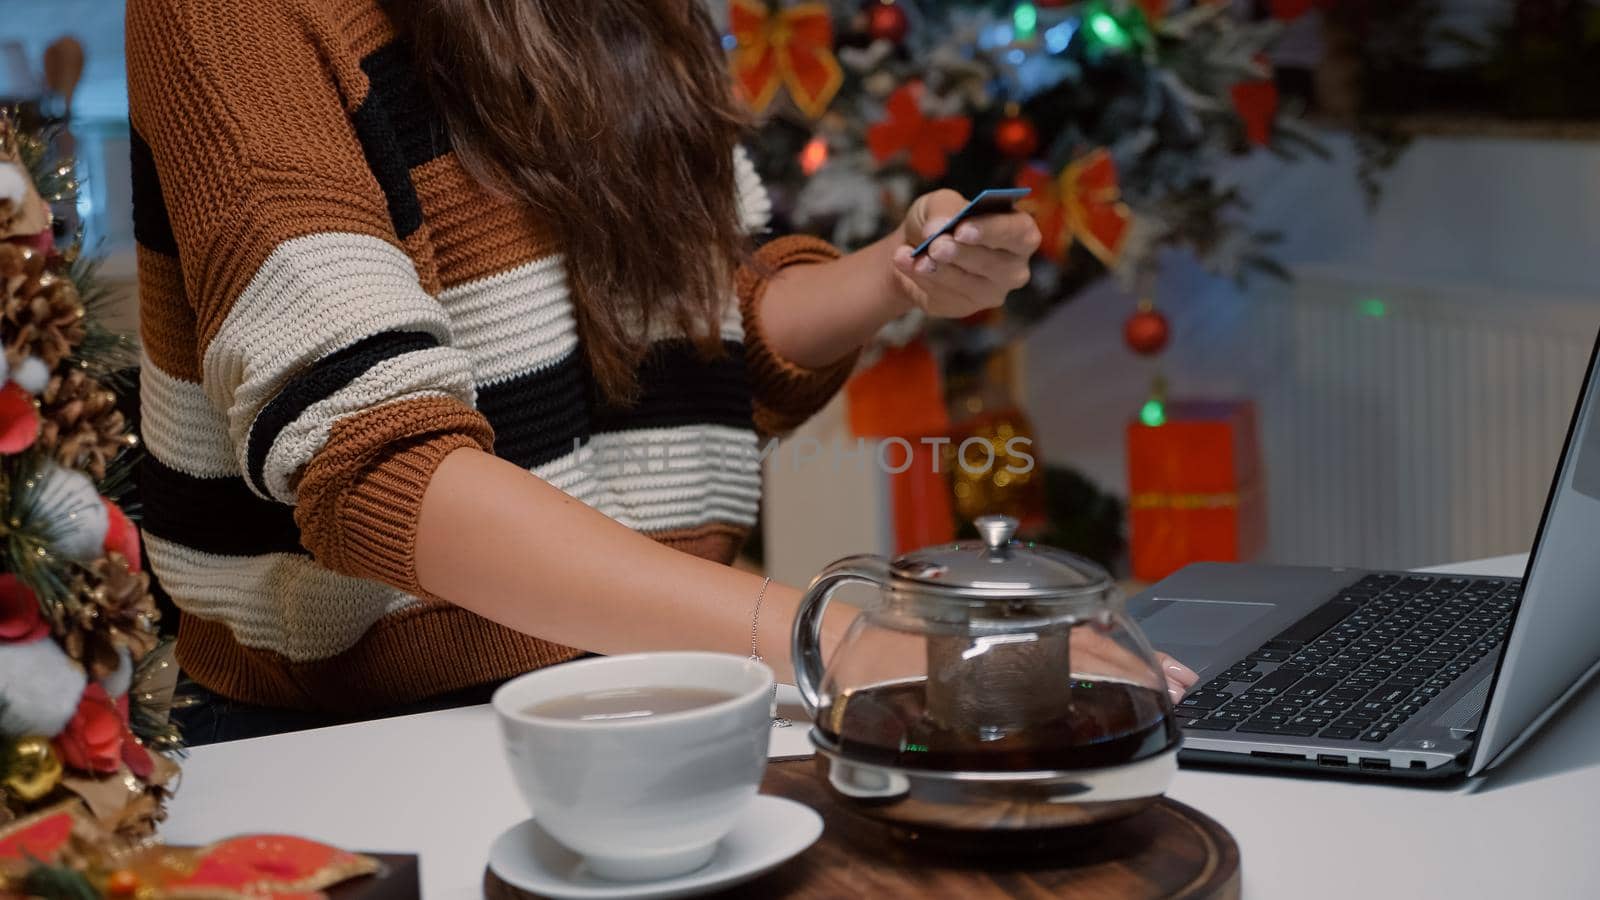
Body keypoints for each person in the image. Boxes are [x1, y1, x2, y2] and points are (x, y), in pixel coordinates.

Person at [127, 0, 1196, 739]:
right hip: (353, 737)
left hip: (650, 678)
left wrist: (894, 277)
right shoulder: (232, 21)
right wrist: (846, 642)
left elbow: (701, 314)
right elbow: (376, 468)